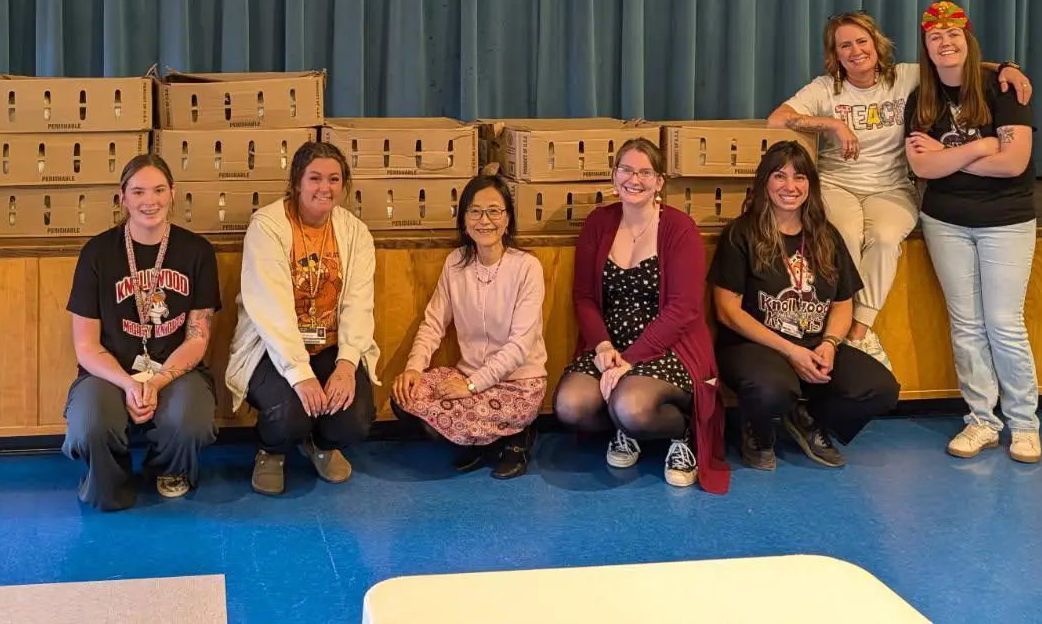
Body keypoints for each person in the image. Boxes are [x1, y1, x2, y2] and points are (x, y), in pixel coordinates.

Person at [769, 11, 1031, 370]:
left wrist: (1007, 68)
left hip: (891, 187)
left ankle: (859, 331)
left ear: (877, 44)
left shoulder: (906, 76)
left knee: (885, 236)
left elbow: (957, 62)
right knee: (843, 233)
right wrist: (830, 123)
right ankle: (834, 325)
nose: (856, 51)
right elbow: (777, 119)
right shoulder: (825, 87)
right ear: (835, 53)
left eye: (862, 41)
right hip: (837, 184)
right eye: (845, 45)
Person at [904, 0, 1041, 463]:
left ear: (968, 40)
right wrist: (983, 144)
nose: (946, 43)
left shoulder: (1001, 87)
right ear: (926, 46)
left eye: (954, 35)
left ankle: (1024, 424)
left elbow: (1013, 162)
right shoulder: (920, 98)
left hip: (1006, 221)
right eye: (935, 37)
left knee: (1003, 324)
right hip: (945, 222)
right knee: (966, 326)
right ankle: (981, 419)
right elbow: (922, 165)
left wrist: (953, 156)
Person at [710, 141, 900, 472]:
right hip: (755, 345)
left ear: (810, 184)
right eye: (779, 176)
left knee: (880, 389)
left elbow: (843, 302)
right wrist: (790, 351)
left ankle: (806, 418)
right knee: (772, 388)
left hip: (813, 342)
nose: (790, 187)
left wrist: (829, 343)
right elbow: (727, 311)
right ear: (764, 182)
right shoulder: (741, 234)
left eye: (799, 177)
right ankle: (757, 431)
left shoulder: (826, 235)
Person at [552, 138, 728, 493]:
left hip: (668, 347)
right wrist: (603, 347)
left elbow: (684, 309)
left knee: (633, 407)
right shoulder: (598, 223)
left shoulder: (680, 228)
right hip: (610, 345)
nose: (635, 179)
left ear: (660, 181)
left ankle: (681, 434)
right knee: (570, 406)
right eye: (627, 170)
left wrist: (629, 361)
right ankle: (624, 427)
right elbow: (584, 297)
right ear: (614, 176)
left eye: (646, 172)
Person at [63, 153, 221, 509]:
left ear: (173, 193)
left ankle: (168, 468)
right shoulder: (98, 252)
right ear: (123, 197)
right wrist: (129, 383)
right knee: (90, 423)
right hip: (109, 371)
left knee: (190, 418)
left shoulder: (197, 251)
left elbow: (198, 337)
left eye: (158, 190)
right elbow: (86, 345)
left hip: (174, 369)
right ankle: (107, 477)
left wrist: (157, 382)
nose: (149, 201)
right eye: (138, 192)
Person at [226, 141, 378, 495]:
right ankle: (271, 450)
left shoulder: (355, 232)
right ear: (297, 182)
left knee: (355, 418)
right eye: (314, 178)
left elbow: (359, 303)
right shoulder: (267, 226)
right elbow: (271, 311)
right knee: (290, 412)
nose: (324, 188)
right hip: (272, 349)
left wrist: (346, 364)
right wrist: (300, 374)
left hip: (329, 343)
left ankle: (321, 445)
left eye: (334, 179)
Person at [390, 172, 547, 480]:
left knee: (449, 407)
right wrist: (414, 367)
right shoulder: (455, 263)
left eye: (494, 211)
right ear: (463, 219)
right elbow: (433, 323)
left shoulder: (527, 267)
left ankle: (517, 438)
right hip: (468, 375)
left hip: (517, 385)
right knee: (404, 396)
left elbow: (519, 347)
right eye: (475, 211)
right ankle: (485, 439)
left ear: (507, 219)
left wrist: (472, 386)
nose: (484, 220)